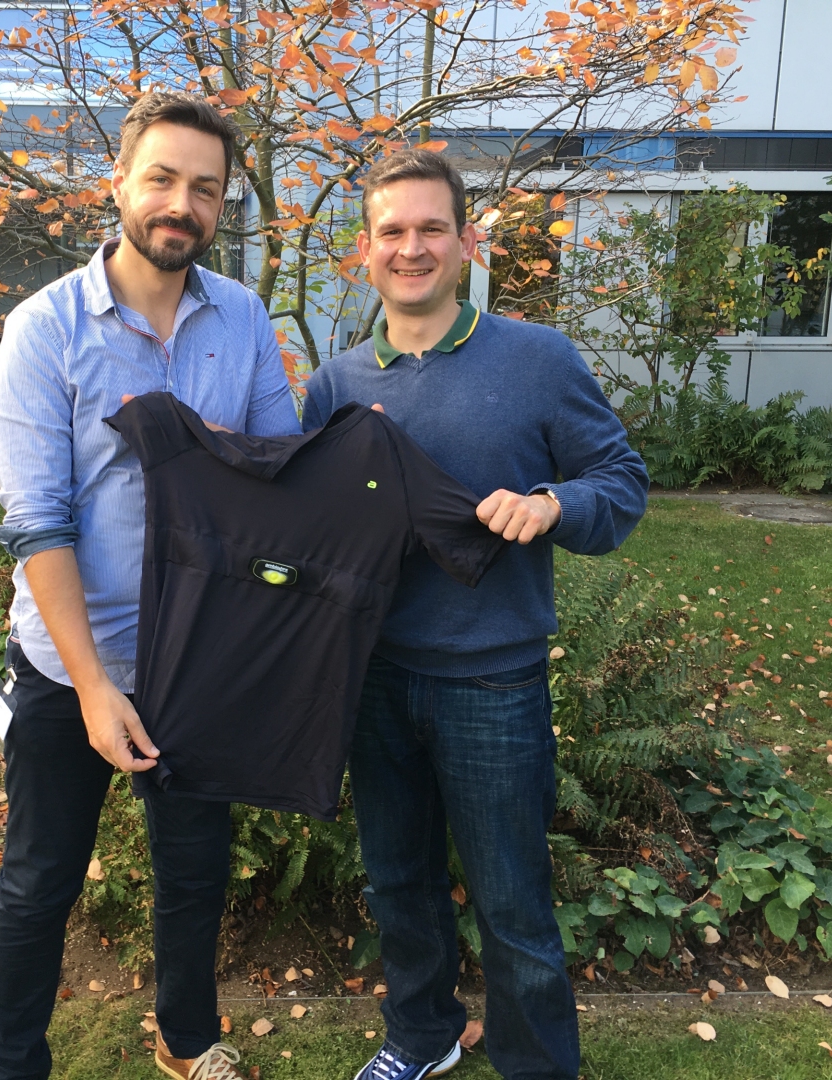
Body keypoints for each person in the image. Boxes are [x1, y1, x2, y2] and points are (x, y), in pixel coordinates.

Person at [302, 149, 649, 1080]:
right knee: (398, 885)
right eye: (392, 231)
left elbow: (622, 481)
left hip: (493, 682)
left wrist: (554, 505)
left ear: (466, 243)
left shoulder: (537, 360)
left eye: (432, 229)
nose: (411, 248)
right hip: (375, 680)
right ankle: (421, 1038)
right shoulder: (335, 386)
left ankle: (537, 1064)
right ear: (366, 252)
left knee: (512, 902)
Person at [0, 92, 300, 1080]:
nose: (181, 204)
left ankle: (187, 1038)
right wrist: (92, 686)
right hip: (66, 666)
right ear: (118, 183)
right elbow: (38, 522)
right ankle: (12, 1067)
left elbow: (276, 472)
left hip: (197, 659)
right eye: (161, 179)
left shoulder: (241, 317)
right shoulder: (45, 329)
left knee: (194, 872)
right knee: (40, 883)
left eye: (205, 188)